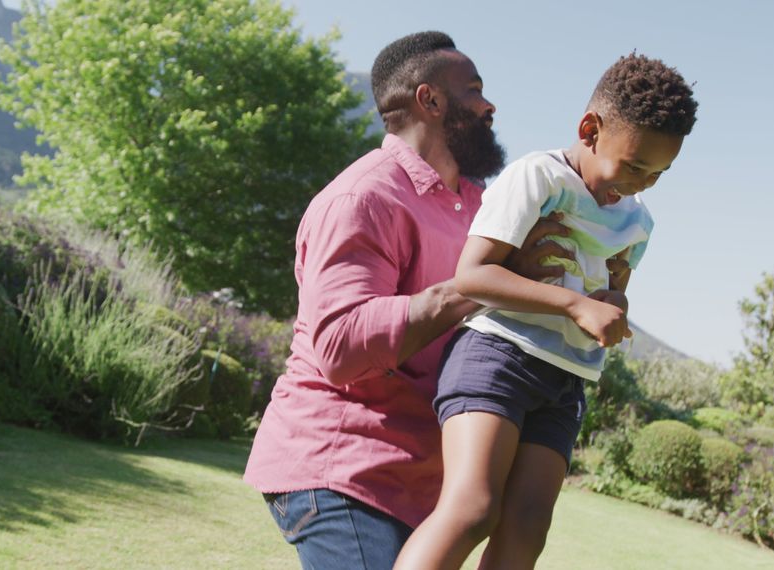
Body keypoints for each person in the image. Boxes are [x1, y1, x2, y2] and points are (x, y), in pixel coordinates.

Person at [242, 31, 572, 569]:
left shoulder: (481, 209)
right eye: (476, 91)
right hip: (343, 471)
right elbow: (340, 344)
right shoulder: (363, 197)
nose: (490, 106)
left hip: (420, 487)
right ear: (431, 100)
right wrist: (478, 283)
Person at [393, 53, 699, 570]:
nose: (643, 183)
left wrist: (613, 307)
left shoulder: (638, 220)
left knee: (528, 527)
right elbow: (474, 275)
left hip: (565, 379)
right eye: (634, 166)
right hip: (497, 356)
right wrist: (576, 304)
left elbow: (615, 287)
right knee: (474, 510)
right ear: (590, 129)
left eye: (658, 174)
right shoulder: (538, 177)